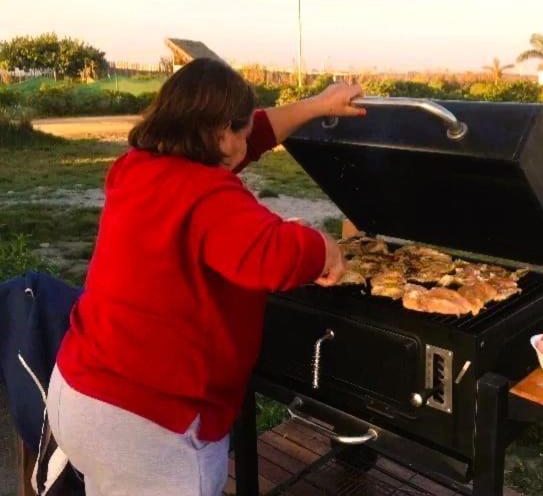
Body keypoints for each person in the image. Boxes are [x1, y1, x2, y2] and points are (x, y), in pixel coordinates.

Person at [46, 58, 365, 495]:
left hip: (78, 393)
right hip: (148, 429)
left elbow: (257, 132)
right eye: (241, 130)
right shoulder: (209, 197)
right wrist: (322, 246)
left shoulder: (135, 167)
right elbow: (275, 256)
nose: (250, 137)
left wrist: (319, 104)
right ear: (219, 135)